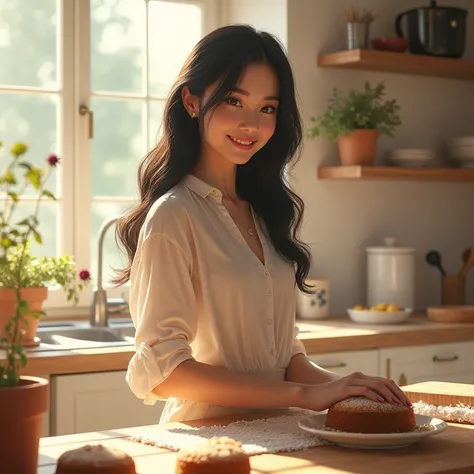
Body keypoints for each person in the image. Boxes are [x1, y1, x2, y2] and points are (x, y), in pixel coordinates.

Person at [114, 24, 412, 424]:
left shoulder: (265, 211)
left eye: (267, 108)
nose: (251, 124)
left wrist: (348, 387)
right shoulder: (174, 215)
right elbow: (166, 372)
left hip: (283, 430)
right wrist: (307, 395)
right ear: (190, 101)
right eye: (234, 101)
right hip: (207, 439)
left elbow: (285, 359)